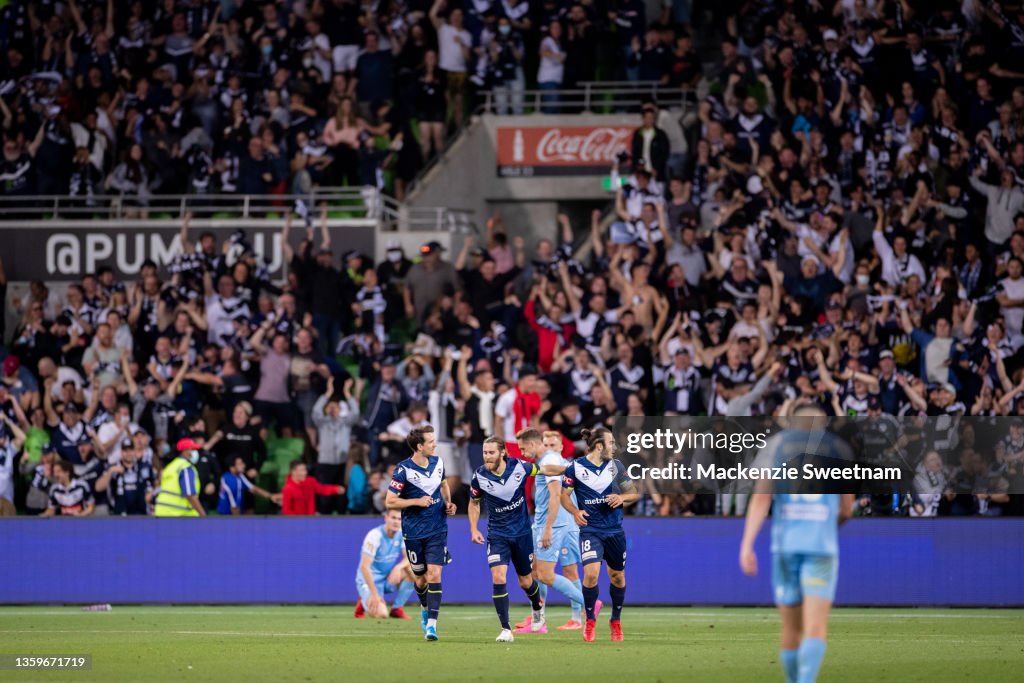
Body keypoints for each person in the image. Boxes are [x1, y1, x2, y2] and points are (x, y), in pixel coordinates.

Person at [739, 403, 856, 683]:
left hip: (785, 546)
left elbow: (761, 498)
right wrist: (828, 525)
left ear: (792, 422)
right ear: (823, 422)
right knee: (814, 628)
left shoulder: (776, 445)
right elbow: (847, 509)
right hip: (821, 547)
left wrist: (747, 544)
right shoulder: (840, 449)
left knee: (790, 629)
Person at [560, 427, 638, 642]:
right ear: (599, 446)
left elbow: (633, 492)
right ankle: (591, 620)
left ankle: (615, 620)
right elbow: (563, 496)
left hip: (614, 530)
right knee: (591, 574)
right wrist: (575, 511)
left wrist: (622, 499)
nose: (615, 447)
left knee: (617, 576)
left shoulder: (616, 467)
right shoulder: (575, 468)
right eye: (611, 443)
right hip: (590, 530)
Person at [468, 436, 545, 642]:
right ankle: (505, 629)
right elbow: (474, 503)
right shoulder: (480, 476)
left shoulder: (520, 467)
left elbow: (543, 470)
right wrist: (474, 529)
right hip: (498, 534)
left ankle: (538, 607)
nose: (487, 456)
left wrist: (568, 470)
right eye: (485, 452)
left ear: (502, 452)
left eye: (491, 452)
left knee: (526, 581)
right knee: (498, 577)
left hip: (522, 534)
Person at [385, 425, 457, 641]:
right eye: (431, 441)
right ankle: (425, 608)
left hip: (437, 528)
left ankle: (432, 626)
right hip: (414, 532)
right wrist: (416, 501)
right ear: (419, 446)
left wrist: (449, 503)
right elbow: (390, 501)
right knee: (420, 579)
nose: (435, 444)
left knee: (435, 574)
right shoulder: (403, 470)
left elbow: (443, 484)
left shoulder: (438, 462)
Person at [511, 428, 585, 634]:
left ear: (560, 448)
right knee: (535, 570)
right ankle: (538, 616)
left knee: (558, 572)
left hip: (562, 524)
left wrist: (548, 528)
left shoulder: (551, 460)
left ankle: (580, 612)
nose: (549, 448)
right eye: (547, 443)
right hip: (545, 521)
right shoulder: (550, 462)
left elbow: (556, 496)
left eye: (553, 445)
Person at [354, 509, 416, 620]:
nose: (396, 522)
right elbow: (364, 567)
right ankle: (364, 600)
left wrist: (398, 567)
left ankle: (397, 608)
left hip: (386, 578)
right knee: (382, 614)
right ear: (386, 518)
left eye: (399, 519)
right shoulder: (374, 536)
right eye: (393, 518)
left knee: (414, 570)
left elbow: (409, 558)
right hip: (369, 581)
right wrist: (374, 594)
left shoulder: (402, 533)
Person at [153, 438, 207, 517]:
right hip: (177, 515)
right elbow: (190, 494)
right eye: (192, 449)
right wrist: (203, 515)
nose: (194, 452)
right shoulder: (185, 468)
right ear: (185, 451)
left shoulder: (171, 466)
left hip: (161, 511)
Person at [217, 455, 282, 515]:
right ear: (232, 467)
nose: (244, 465)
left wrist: (270, 496)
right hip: (228, 517)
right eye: (240, 464)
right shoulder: (232, 482)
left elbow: (253, 488)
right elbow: (234, 508)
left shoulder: (237, 476)